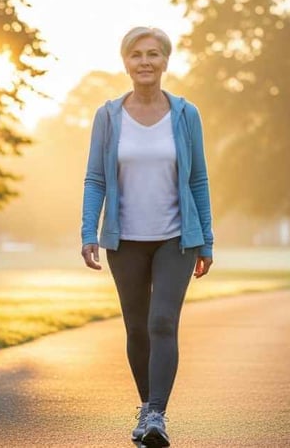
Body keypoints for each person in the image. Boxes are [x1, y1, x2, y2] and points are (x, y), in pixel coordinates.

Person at [80, 26, 214, 448]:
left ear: (165, 61)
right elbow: (95, 178)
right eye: (136, 54)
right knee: (137, 328)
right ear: (125, 62)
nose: (145, 62)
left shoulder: (185, 114)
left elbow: (198, 179)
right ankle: (146, 408)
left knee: (161, 322)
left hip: (176, 239)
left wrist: (206, 239)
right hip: (125, 242)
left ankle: (156, 413)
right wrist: (89, 231)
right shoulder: (108, 116)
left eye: (153, 54)